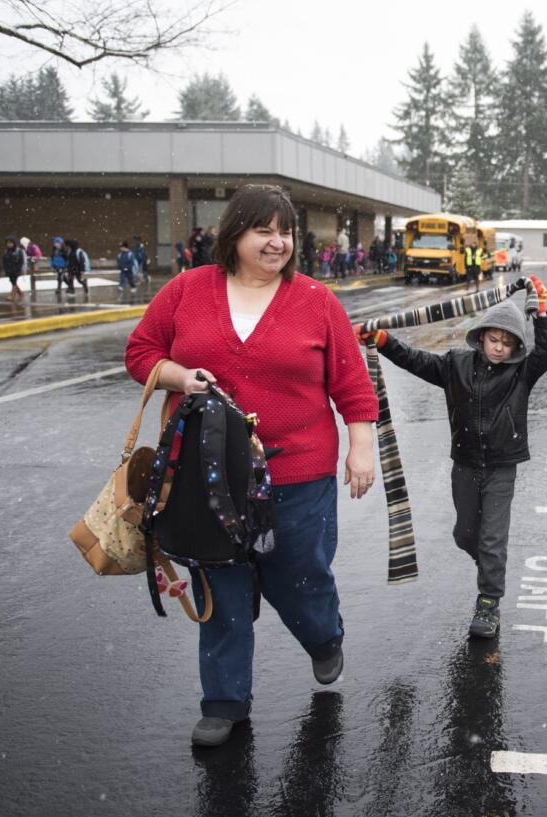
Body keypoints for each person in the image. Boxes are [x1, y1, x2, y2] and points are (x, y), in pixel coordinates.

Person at [124, 184, 379, 748]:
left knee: (301, 577)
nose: (277, 242)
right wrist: (179, 376)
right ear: (234, 234)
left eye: (285, 231)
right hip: (208, 477)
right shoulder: (188, 290)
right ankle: (224, 701)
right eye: (263, 230)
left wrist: (361, 446)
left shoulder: (316, 301)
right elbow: (140, 352)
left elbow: (352, 383)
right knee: (221, 586)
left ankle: (324, 637)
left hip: (299, 472)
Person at [356, 276, 547, 638]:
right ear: (481, 337)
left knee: (492, 539)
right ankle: (489, 566)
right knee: (467, 536)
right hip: (464, 464)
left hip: (501, 467)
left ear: (515, 348)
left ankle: (489, 602)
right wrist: (384, 341)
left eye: (507, 343)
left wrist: (541, 312)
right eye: (494, 339)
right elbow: (415, 361)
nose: (499, 348)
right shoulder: (455, 366)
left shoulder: (521, 373)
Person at [2, 237, 24, 301]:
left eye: (10, 243)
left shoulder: (18, 251)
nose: (9, 244)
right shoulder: (6, 251)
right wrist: (6, 268)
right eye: (8, 243)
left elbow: (21, 261)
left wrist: (17, 268)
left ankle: (12, 295)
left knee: (14, 282)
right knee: (12, 281)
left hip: (16, 269)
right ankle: (20, 293)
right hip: (9, 269)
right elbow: (4, 261)